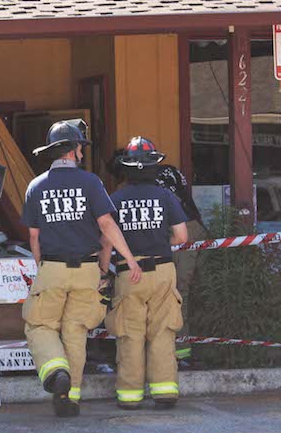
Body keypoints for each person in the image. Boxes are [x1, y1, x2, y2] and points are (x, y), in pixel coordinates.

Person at [22, 120, 142, 417]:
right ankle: (69, 397)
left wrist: (42, 268)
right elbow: (106, 225)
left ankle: (55, 372)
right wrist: (129, 258)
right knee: (75, 332)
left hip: (52, 266)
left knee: (41, 325)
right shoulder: (91, 183)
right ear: (76, 150)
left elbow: (33, 236)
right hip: (87, 270)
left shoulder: (36, 186)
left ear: (53, 152)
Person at [98, 137, 190, 410]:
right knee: (163, 331)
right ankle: (164, 393)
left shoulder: (114, 200)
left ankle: (129, 396)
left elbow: (105, 241)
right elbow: (182, 236)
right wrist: (162, 242)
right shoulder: (166, 197)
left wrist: (104, 273)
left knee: (130, 334)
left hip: (129, 274)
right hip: (163, 271)